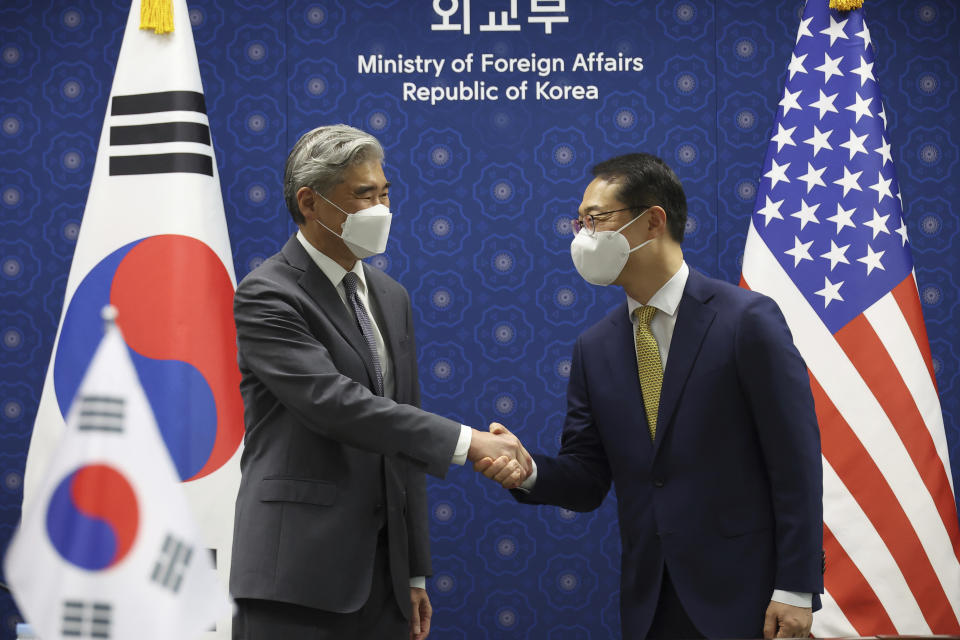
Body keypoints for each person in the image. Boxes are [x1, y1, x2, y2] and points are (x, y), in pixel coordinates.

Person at [478, 153, 823, 639]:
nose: (584, 236)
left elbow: (796, 463)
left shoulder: (747, 321)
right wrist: (528, 471)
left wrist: (796, 588)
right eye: (581, 222)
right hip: (650, 602)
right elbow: (587, 476)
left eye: (597, 219)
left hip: (749, 598)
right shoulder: (594, 348)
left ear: (652, 221)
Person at [229, 124, 530, 640]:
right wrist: (469, 442)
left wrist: (412, 570)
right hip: (296, 578)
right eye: (364, 195)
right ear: (311, 202)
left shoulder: (390, 295)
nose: (381, 208)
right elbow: (335, 405)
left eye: (385, 192)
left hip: (382, 582)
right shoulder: (267, 295)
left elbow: (400, 433)